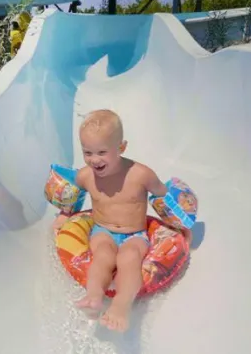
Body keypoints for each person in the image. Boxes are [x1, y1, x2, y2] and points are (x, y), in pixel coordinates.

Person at [53, 109, 168, 332]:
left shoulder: (141, 175)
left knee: (130, 258)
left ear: (121, 148)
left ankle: (121, 306)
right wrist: (64, 215)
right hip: (101, 230)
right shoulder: (85, 176)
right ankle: (94, 296)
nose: (94, 160)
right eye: (88, 152)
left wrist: (179, 225)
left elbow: (164, 198)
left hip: (135, 235)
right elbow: (72, 195)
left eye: (102, 152)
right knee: (103, 255)